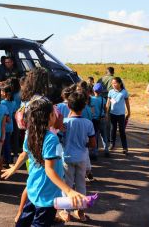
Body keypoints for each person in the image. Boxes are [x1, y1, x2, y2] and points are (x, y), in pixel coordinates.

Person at [16, 97, 86, 227]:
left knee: (24, 221)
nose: (57, 116)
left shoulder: (30, 133)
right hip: (47, 194)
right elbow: (50, 169)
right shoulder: (51, 139)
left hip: (34, 188)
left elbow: (24, 154)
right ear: (49, 116)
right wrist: (69, 191)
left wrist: (14, 168)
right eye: (54, 113)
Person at [59, 92, 95, 222]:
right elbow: (92, 143)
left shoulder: (64, 123)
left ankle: (66, 212)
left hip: (67, 157)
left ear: (68, 106)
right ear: (84, 106)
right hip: (82, 158)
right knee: (81, 185)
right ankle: (81, 212)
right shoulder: (88, 123)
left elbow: (58, 139)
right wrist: (83, 145)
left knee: (66, 185)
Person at [106, 77, 130, 154]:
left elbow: (127, 103)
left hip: (121, 115)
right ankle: (112, 144)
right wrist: (106, 113)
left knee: (122, 131)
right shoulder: (110, 92)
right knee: (113, 130)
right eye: (112, 83)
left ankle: (125, 147)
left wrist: (129, 112)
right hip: (112, 114)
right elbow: (108, 103)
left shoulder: (124, 92)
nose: (113, 85)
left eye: (115, 83)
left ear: (120, 83)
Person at [90, 83, 109, 157]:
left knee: (95, 136)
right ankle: (106, 150)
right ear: (101, 91)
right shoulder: (103, 99)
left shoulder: (91, 99)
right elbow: (105, 109)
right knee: (104, 135)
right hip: (102, 118)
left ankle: (95, 152)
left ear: (93, 90)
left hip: (94, 119)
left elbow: (91, 110)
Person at [1, 85, 16, 165]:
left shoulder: (2, 103)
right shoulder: (13, 102)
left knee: (4, 144)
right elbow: (13, 114)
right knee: (8, 143)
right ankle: (8, 159)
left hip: (4, 125)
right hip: (11, 125)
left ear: (5, 93)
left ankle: (5, 160)